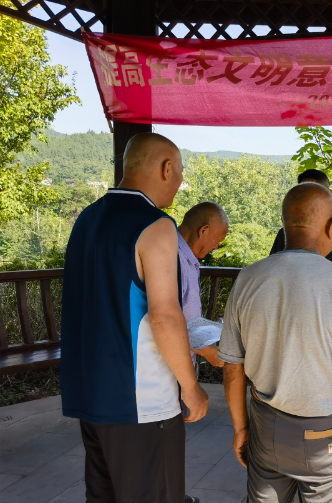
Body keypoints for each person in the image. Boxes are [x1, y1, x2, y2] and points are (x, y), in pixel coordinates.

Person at [219, 183, 332, 503]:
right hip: (326, 440)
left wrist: (240, 428)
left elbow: (233, 368)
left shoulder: (248, 278)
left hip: (266, 429)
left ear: (286, 224)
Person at [59, 132, 209, 503]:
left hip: (90, 394)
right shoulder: (156, 225)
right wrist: (191, 388)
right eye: (179, 175)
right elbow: (164, 317)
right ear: (166, 168)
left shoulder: (87, 220)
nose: (178, 186)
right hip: (140, 402)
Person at [177, 201, 230, 374]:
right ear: (204, 230)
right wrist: (206, 351)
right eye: (218, 240)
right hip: (169, 373)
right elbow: (163, 320)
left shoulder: (188, 258)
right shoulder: (172, 257)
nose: (215, 247)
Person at [269, 168, 332, 269]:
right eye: (304, 191)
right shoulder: (284, 234)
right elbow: (274, 268)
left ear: (330, 193)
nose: (309, 197)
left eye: (317, 191)